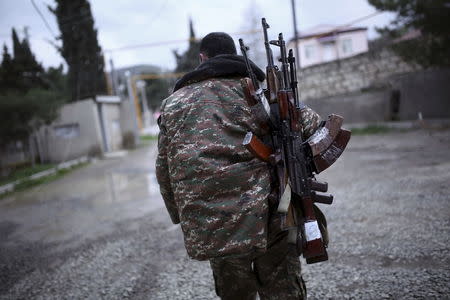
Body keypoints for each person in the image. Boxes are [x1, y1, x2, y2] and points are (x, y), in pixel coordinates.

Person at [156, 32, 322, 300]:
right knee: (282, 288)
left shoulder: (173, 104)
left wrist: (182, 215)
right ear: (233, 53)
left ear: (202, 58)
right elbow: (313, 126)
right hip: (271, 213)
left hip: (213, 222)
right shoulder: (260, 89)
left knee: (235, 293)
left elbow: (164, 170)